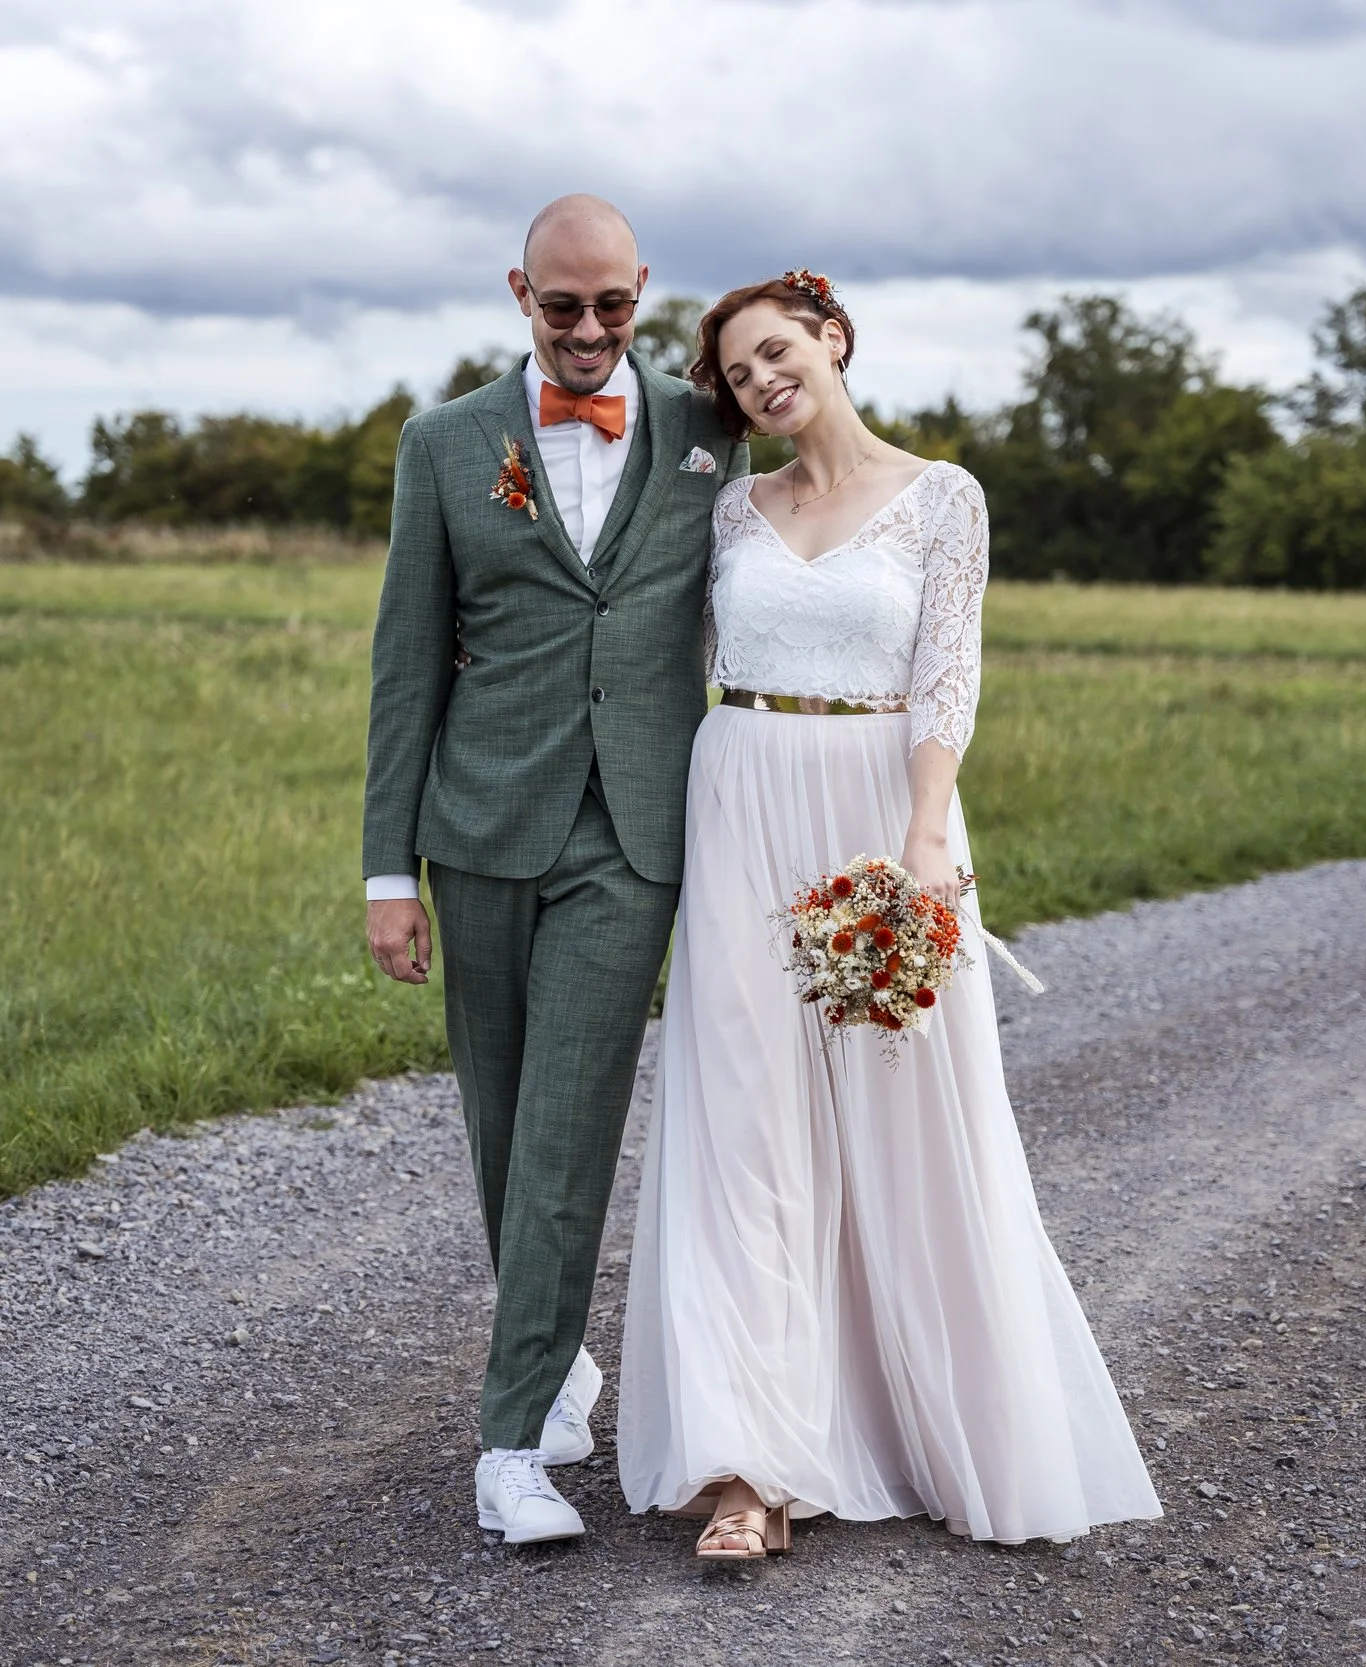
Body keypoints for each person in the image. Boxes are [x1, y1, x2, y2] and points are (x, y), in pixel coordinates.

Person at [614, 271, 1163, 1558]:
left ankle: (937, 1427)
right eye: (737, 374)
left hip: (880, 809)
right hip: (740, 795)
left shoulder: (942, 499)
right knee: (745, 1123)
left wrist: (924, 837)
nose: (758, 380)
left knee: (910, 1117)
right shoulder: (730, 512)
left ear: (832, 338)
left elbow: (947, 667)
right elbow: (653, 653)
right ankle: (751, 1466)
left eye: (774, 351)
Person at [362, 195, 750, 1544]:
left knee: (571, 1119)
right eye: (559, 307)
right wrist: (384, 871)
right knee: (503, 1119)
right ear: (517, 293)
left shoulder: (711, 432)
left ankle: (512, 1439)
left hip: (631, 833)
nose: (588, 332)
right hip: (477, 828)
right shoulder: (446, 442)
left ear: (643, 292)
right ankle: (558, 1349)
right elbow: (406, 660)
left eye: (612, 306)